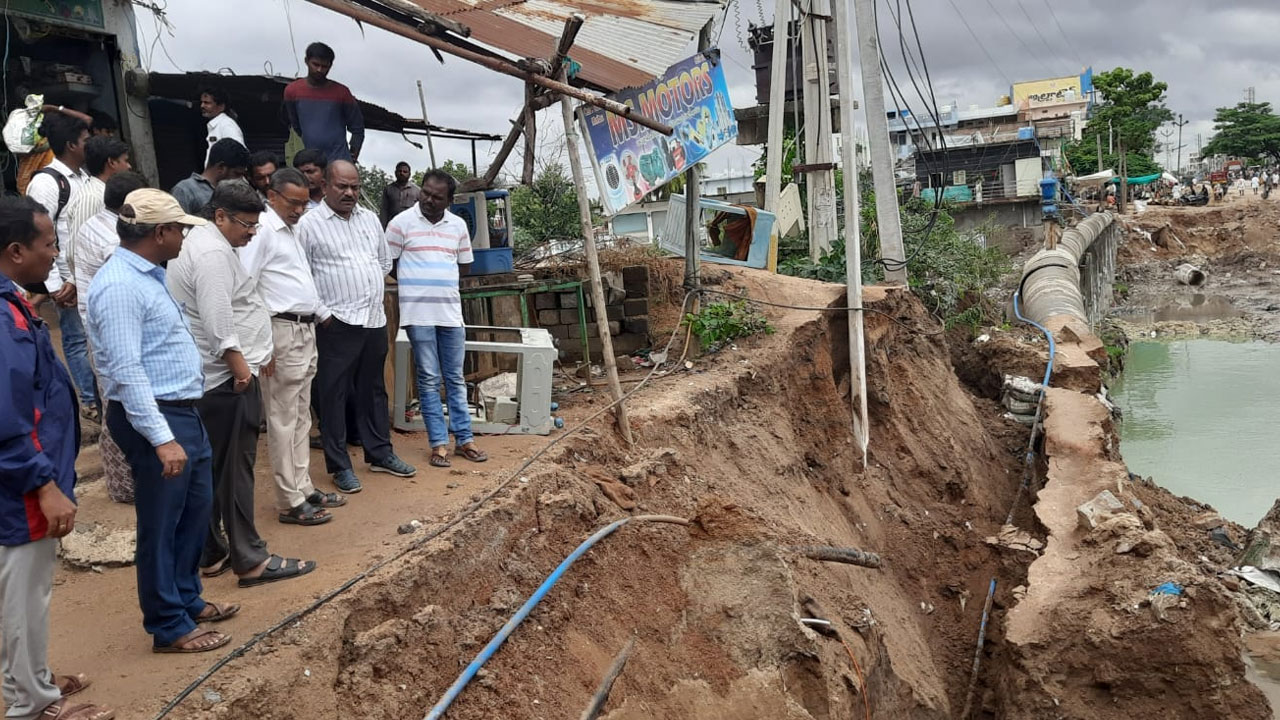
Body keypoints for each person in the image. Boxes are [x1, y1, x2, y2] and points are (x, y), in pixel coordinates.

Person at [86, 189, 238, 653]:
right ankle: (168, 624)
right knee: (162, 521)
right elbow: (126, 371)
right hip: (156, 416)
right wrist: (161, 439)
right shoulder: (119, 286)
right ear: (160, 232)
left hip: (179, 411)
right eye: (180, 230)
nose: (184, 238)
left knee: (193, 513)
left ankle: (186, 598)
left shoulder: (148, 277)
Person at [167, 180, 318, 586]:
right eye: (246, 225)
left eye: (255, 224)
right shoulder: (214, 253)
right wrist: (242, 372)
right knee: (237, 472)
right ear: (219, 216)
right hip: (225, 379)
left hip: (212, 378)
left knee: (215, 470)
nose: (252, 232)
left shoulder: (202, 242)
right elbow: (219, 326)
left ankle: (211, 550)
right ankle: (249, 558)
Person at [0, 197, 115, 720]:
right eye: (49, 245)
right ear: (17, 250)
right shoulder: (4, 321)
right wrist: (44, 485)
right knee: (23, 596)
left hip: (29, 476)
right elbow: (9, 421)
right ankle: (31, 704)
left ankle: (33, 680)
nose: (56, 254)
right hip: (22, 486)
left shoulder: (15, 303)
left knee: (26, 592)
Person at [299, 160, 416, 492]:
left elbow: (383, 261)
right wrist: (324, 312)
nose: (349, 192)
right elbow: (302, 274)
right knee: (333, 395)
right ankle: (339, 466)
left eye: (355, 186)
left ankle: (380, 454)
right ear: (325, 186)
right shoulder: (310, 224)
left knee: (374, 391)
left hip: (373, 319)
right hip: (335, 323)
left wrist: (365, 286)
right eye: (342, 186)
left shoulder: (369, 220)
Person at [239, 168, 346, 525]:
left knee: (301, 416)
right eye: (293, 203)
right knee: (283, 418)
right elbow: (247, 287)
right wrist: (261, 345)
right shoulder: (263, 232)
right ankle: (289, 499)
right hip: (280, 330)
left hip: (303, 329)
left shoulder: (291, 231)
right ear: (272, 197)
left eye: (303, 203)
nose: (300, 210)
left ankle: (303, 486)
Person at [387, 170, 488, 469]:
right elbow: (390, 263)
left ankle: (465, 440)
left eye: (437, 196)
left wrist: (438, 281)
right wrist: (417, 283)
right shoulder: (400, 223)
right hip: (418, 315)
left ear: (449, 200)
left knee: (456, 379)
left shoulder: (457, 226)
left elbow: (464, 266)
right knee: (429, 380)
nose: (429, 199)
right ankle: (438, 445)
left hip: (450, 314)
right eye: (426, 193)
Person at [74, 170, 149, 506]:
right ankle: (124, 486)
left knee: (123, 402)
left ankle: (138, 476)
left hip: (108, 327)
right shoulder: (110, 237)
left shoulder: (92, 227)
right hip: (108, 332)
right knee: (118, 405)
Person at [26, 112, 98, 422]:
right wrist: (54, 285)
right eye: (85, 141)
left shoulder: (83, 178)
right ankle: (89, 399)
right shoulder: (46, 183)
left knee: (92, 337)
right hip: (67, 280)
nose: (90, 145)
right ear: (71, 145)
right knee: (75, 338)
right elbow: (38, 236)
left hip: (87, 273)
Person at [283, 42, 364, 163]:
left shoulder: (342, 92)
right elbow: (296, 124)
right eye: (315, 64)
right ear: (306, 61)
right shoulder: (292, 91)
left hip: (338, 159)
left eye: (324, 66)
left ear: (330, 66)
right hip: (310, 161)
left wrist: (353, 156)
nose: (319, 70)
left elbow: (358, 128)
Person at [65, 135, 131, 276]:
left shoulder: (105, 193)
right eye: (125, 161)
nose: (129, 166)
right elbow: (76, 251)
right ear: (111, 163)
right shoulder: (92, 197)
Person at [171, 138, 251, 215]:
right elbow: (176, 227)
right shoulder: (185, 190)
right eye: (237, 174)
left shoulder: (233, 192)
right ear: (221, 167)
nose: (240, 179)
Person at [199, 85, 245, 168]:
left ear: (221, 106)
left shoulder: (227, 125)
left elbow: (239, 154)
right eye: (202, 102)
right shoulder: (216, 125)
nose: (202, 106)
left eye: (207, 103)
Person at [380, 161, 417, 228]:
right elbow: (384, 211)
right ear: (395, 173)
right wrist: (382, 228)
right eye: (400, 171)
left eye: (405, 172)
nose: (402, 173)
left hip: (411, 228)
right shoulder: (388, 189)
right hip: (392, 227)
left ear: (409, 174)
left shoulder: (417, 191)